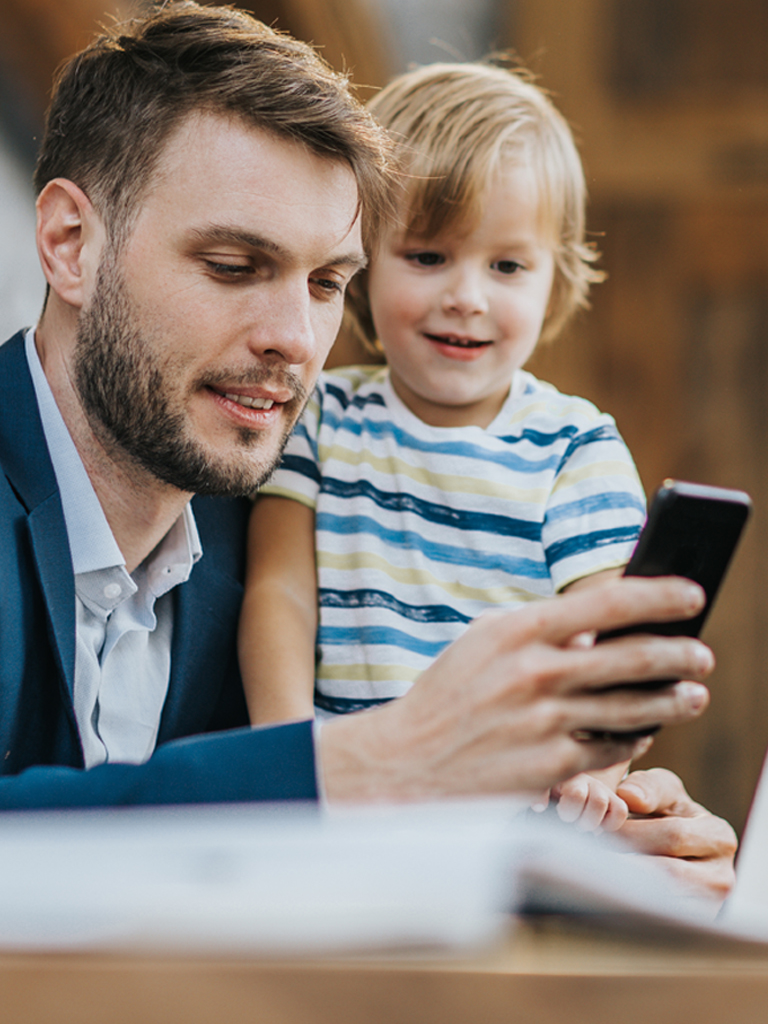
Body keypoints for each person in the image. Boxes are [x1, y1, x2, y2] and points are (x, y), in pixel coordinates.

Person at [0, 0, 734, 899]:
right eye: (233, 265)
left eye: (326, 282)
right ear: (70, 244)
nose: (297, 341)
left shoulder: (286, 509)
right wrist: (352, 768)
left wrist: (586, 857)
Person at [240, 61, 643, 833]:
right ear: (358, 271)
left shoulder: (573, 449)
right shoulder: (322, 418)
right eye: (427, 257)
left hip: (513, 810)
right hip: (349, 799)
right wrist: (288, 758)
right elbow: (279, 593)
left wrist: (596, 760)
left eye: (507, 266)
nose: (467, 295)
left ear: (555, 283)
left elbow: (612, 641)